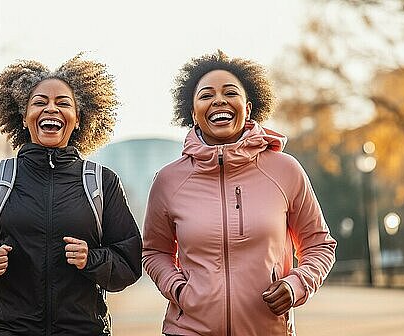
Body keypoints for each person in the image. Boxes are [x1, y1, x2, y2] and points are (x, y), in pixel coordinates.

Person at [142, 50, 337, 336]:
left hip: (268, 329)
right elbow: (154, 251)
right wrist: (179, 290)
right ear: (193, 113)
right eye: (206, 95)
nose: (218, 100)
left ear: (248, 107)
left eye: (230, 92)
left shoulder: (285, 170)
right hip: (188, 329)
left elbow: (319, 245)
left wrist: (297, 284)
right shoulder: (169, 180)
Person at [0, 55, 142, 336]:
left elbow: (128, 261)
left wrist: (92, 259)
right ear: (24, 118)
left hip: (81, 329)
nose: (51, 108)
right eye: (39, 102)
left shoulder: (101, 182)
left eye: (63, 103)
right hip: (6, 328)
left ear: (78, 120)